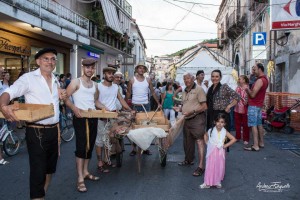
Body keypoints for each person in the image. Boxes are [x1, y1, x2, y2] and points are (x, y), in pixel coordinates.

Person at [0, 48, 66, 199]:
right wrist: (3, 106)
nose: (50, 62)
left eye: (53, 59)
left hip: (54, 130)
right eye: (46, 59)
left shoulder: (55, 78)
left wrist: (62, 94)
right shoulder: (28, 78)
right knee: (38, 172)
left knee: (50, 169)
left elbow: (55, 99)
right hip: (36, 131)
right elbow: (9, 92)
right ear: (38, 61)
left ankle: (40, 196)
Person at [64, 58, 103, 193]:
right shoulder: (76, 82)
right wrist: (74, 109)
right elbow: (65, 97)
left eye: (92, 68)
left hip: (93, 118)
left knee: (89, 146)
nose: (90, 70)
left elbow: (96, 101)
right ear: (83, 68)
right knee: (81, 148)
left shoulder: (95, 85)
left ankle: (86, 172)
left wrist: (107, 109)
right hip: (80, 119)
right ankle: (80, 178)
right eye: (87, 67)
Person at [95, 67, 132, 172]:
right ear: (104, 74)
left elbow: (121, 100)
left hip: (113, 117)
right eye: (109, 73)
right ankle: (99, 162)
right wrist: (103, 108)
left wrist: (130, 109)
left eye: (112, 73)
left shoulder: (115, 87)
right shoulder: (98, 86)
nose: (111, 75)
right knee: (100, 141)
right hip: (101, 117)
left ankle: (106, 159)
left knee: (110, 138)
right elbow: (95, 100)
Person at [174, 72, 207, 177]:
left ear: (193, 79)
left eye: (188, 78)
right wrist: (179, 109)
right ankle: (188, 160)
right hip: (186, 119)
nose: (186, 80)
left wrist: (192, 111)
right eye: (184, 79)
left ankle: (201, 166)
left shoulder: (199, 89)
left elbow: (204, 106)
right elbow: (186, 105)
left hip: (197, 118)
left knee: (199, 141)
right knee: (187, 142)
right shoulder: (184, 91)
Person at [126, 62, 161, 156]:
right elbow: (128, 93)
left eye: (143, 68)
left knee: (145, 128)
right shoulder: (132, 80)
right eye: (139, 68)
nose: (141, 70)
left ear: (145, 70)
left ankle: (144, 148)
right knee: (134, 128)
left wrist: (158, 103)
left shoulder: (148, 80)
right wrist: (125, 105)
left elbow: (153, 92)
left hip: (146, 105)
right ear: (137, 69)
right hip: (135, 106)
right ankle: (133, 149)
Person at [200, 113, 237, 189]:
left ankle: (217, 181)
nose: (220, 124)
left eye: (222, 122)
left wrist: (225, 146)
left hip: (220, 152)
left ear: (224, 123)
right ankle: (207, 182)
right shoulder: (211, 130)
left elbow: (234, 139)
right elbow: (205, 135)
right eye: (218, 121)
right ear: (214, 122)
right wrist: (207, 143)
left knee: (219, 166)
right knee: (210, 166)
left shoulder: (225, 131)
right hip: (211, 152)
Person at [244, 63, 269, 152]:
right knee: (259, 124)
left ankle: (255, 145)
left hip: (254, 105)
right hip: (258, 105)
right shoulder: (265, 79)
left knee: (253, 125)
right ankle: (261, 142)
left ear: (260, 69)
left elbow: (253, 95)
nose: (253, 71)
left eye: (255, 69)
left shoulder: (259, 80)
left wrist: (247, 89)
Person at [234, 75, 250, 145]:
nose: (238, 80)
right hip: (237, 108)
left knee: (245, 124)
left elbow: (247, 98)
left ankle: (246, 138)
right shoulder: (237, 88)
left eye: (240, 79)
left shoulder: (247, 87)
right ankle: (238, 137)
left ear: (244, 80)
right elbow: (235, 96)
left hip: (244, 108)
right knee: (237, 123)